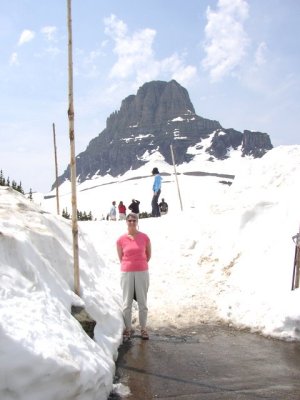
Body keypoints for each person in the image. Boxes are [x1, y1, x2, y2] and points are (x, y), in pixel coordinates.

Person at [116, 212, 151, 341]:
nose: (132, 222)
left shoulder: (144, 237)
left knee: (142, 301)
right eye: (129, 220)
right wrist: (129, 265)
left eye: (134, 220)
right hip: (127, 272)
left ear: (137, 222)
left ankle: (143, 328)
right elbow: (121, 257)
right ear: (126, 222)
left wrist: (139, 263)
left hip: (142, 271)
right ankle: (128, 328)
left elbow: (148, 254)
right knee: (127, 302)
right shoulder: (120, 240)